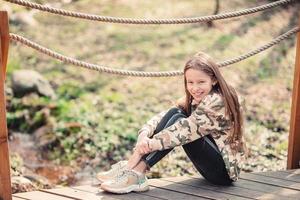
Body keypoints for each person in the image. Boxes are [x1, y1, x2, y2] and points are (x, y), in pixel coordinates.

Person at [97, 52, 247, 194]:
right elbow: (167, 115)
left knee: (180, 123)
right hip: (211, 163)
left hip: (222, 172)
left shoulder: (217, 102)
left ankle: (136, 171)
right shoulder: (198, 98)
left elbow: (184, 131)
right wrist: (144, 134)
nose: (195, 88)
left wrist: (145, 148)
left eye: (201, 82)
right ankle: (133, 167)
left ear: (214, 80)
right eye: (190, 82)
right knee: (175, 113)